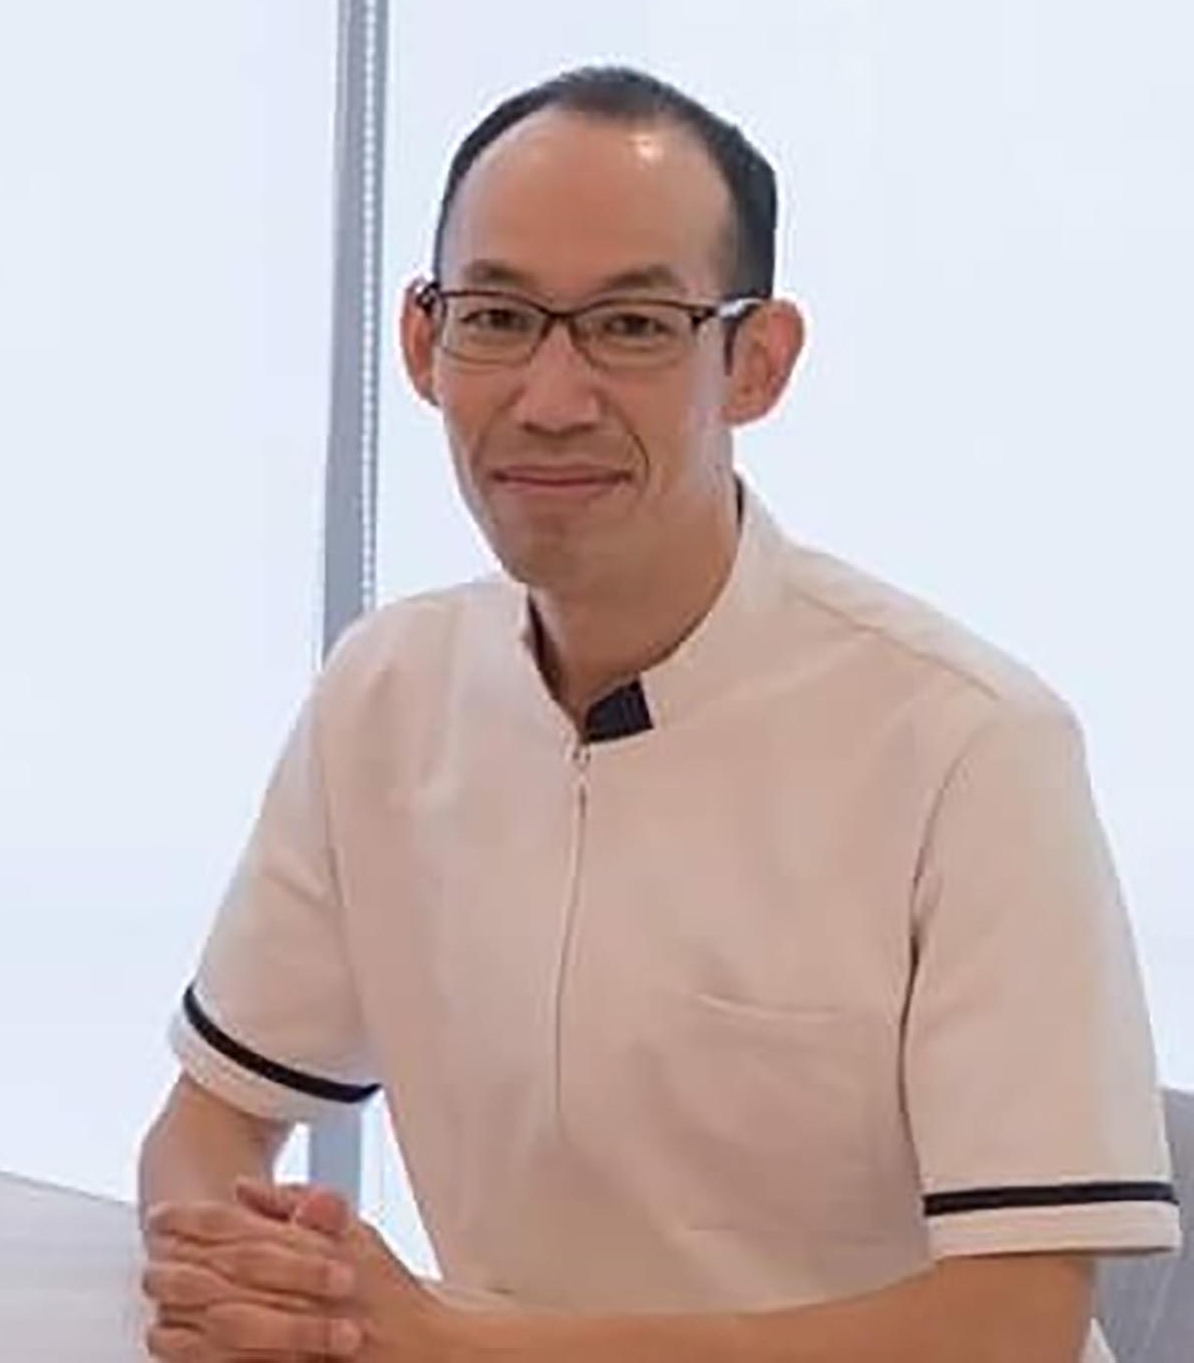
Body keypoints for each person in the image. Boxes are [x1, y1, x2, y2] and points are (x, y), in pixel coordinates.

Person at [137, 66, 1180, 1363]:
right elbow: (208, 1123)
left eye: (631, 327)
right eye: (497, 317)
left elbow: (1015, 1324)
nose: (550, 398)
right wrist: (250, 1279)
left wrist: (456, 1347)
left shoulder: (971, 745)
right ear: (421, 344)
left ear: (757, 363)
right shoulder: (387, 693)